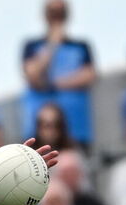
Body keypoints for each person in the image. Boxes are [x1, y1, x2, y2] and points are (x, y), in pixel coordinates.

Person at [21, 0, 96, 147]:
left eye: (60, 13)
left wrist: (51, 84)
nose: (56, 17)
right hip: (38, 136)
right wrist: (53, 44)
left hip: (76, 132)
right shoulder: (31, 45)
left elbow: (89, 75)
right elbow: (33, 76)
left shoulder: (81, 45)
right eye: (52, 12)